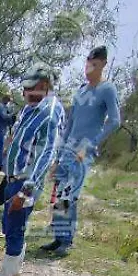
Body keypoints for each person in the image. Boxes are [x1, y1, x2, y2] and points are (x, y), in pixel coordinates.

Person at [0, 65, 64, 276]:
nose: (26, 95)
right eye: (24, 90)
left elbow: (46, 156)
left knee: (14, 226)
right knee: (10, 224)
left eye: (31, 90)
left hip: (26, 182)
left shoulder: (50, 113)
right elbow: (18, 134)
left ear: (45, 87)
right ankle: (14, 268)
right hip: (12, 176)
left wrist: (25, 191)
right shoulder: (30, 107)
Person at [40, 46, 121, 258]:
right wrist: (57, 155)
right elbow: (69, 125)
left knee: (69, 194)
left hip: (83, 152)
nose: (89, 66)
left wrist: (90, 145)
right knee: (59, 194)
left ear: (103, 63)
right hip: (67, 150)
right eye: (87, 61)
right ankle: (58, 237)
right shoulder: (81, 91)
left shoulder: (107, 89)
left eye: (94, 62)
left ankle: (67, 240)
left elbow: (114, 121)